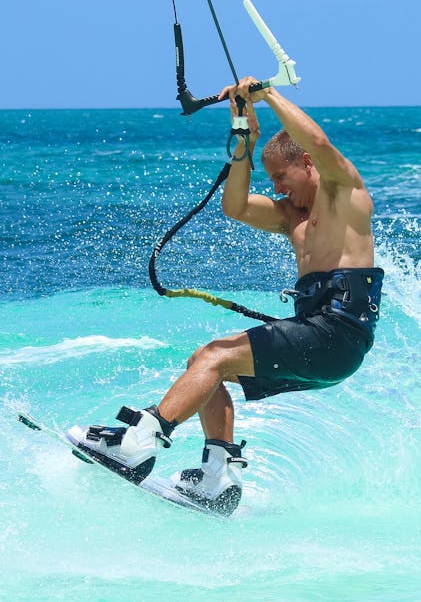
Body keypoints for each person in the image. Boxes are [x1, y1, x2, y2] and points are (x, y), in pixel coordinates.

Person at [66, 77, 384, 514]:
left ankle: (139, 439)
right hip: (319, 337)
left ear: (307, 164)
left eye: (281, 178)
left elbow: (321, 141)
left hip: (336, 335)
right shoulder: (293, 218)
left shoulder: (346, 194)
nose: (275, 189)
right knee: (205, 362)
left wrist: (267, 94)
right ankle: (218, 477)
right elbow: (234, 206)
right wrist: (243, 133)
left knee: (216, 355)